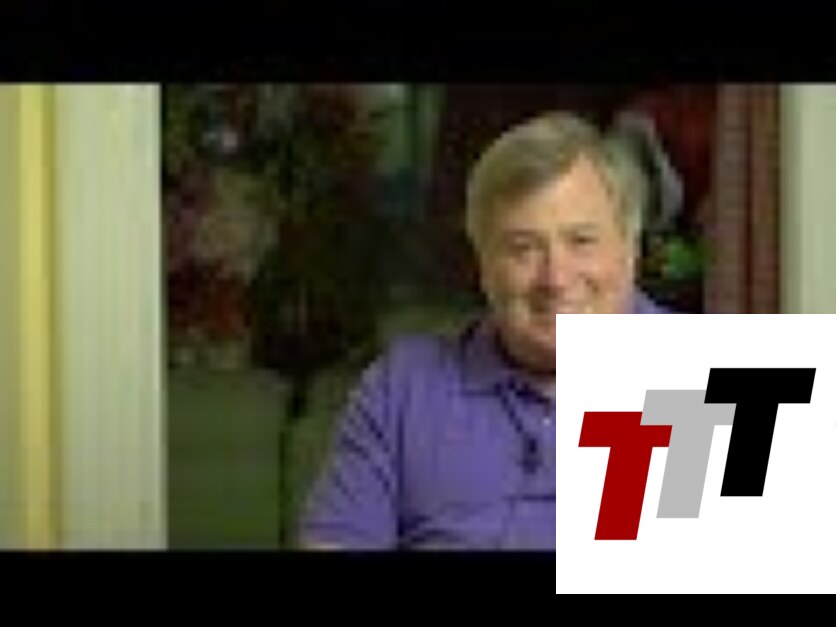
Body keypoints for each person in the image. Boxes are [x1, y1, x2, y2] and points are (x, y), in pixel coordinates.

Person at [298, 110, 671, 551]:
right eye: (522, 248)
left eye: (581, 241)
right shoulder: (402, 388)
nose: (555, 277)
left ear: (630, 248)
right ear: (483, 266)